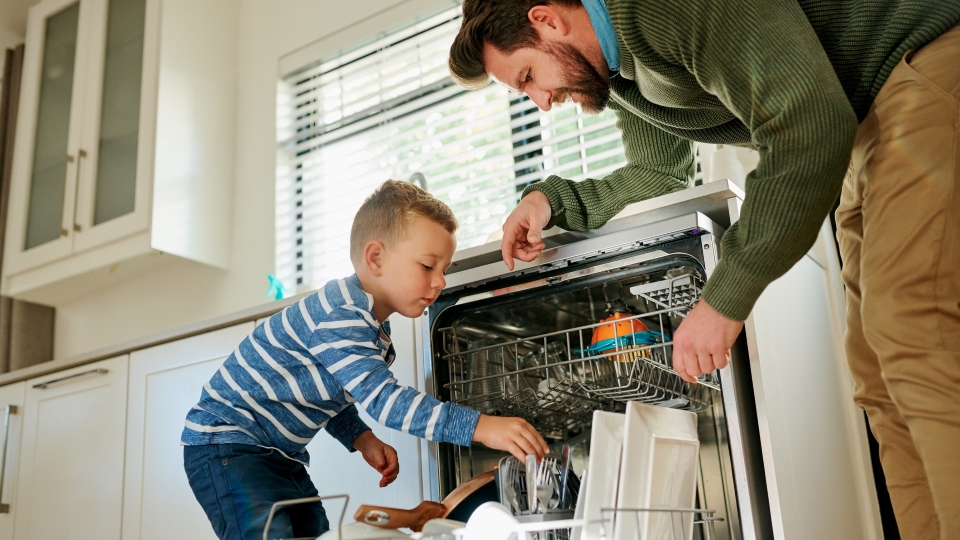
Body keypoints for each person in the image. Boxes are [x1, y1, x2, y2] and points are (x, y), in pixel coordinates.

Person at [449, 0, 960, 538]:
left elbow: (806, 124)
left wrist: (723, 300)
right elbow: (657, 172)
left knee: (911, 327)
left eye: (529, 76)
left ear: (546, 18)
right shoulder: (622, 72)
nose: (542, 102)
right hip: (865, 130)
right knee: (878, 377)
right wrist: (550, 200)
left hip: (920, 67)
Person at [181, 180, 549, 540]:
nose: (439, 282)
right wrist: (482, 427)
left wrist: (362, 437)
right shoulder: (341, 316)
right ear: (376, 257)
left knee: (316, 533)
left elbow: (322, 388)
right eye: (427, 266)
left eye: (444, 271)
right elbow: (389, 403)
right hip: (227, 444)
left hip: (278, 453)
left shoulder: (365, 324)